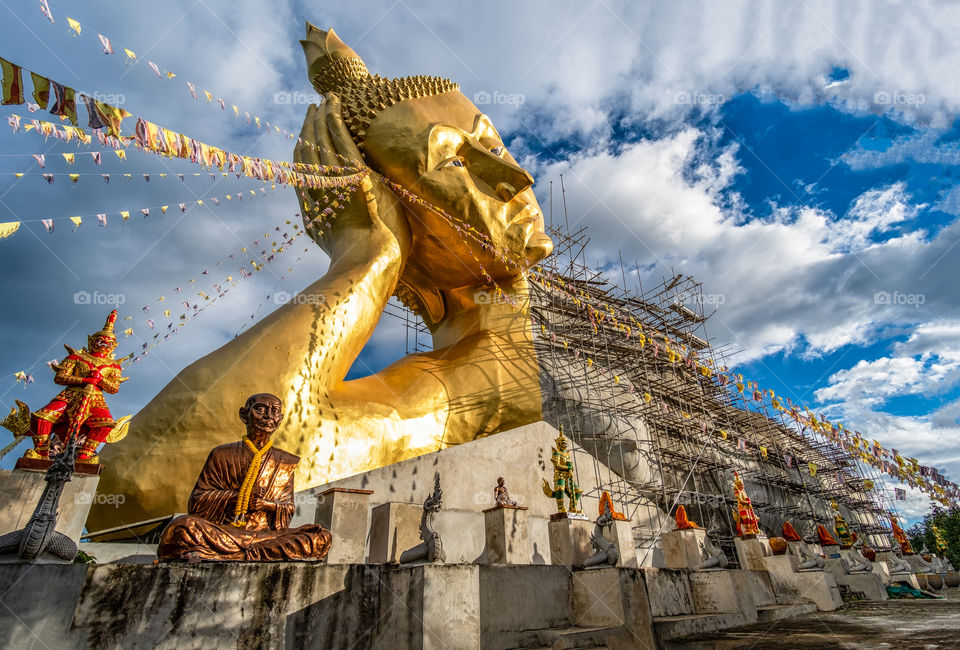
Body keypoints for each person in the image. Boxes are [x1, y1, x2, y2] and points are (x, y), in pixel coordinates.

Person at [157, 393, 332, 562]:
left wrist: (265, 504)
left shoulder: (285, 461)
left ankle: (244, 553)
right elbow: (197, 502)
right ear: (244, 415)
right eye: (260, 409)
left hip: (265, 536)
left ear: (280, 419)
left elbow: (288, 507)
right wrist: (238, 497)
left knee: (319, 538)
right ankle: (254, 553)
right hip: (226, 533)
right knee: (182, 527)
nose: (268, 416)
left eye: (274, 411)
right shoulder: (221, 454)